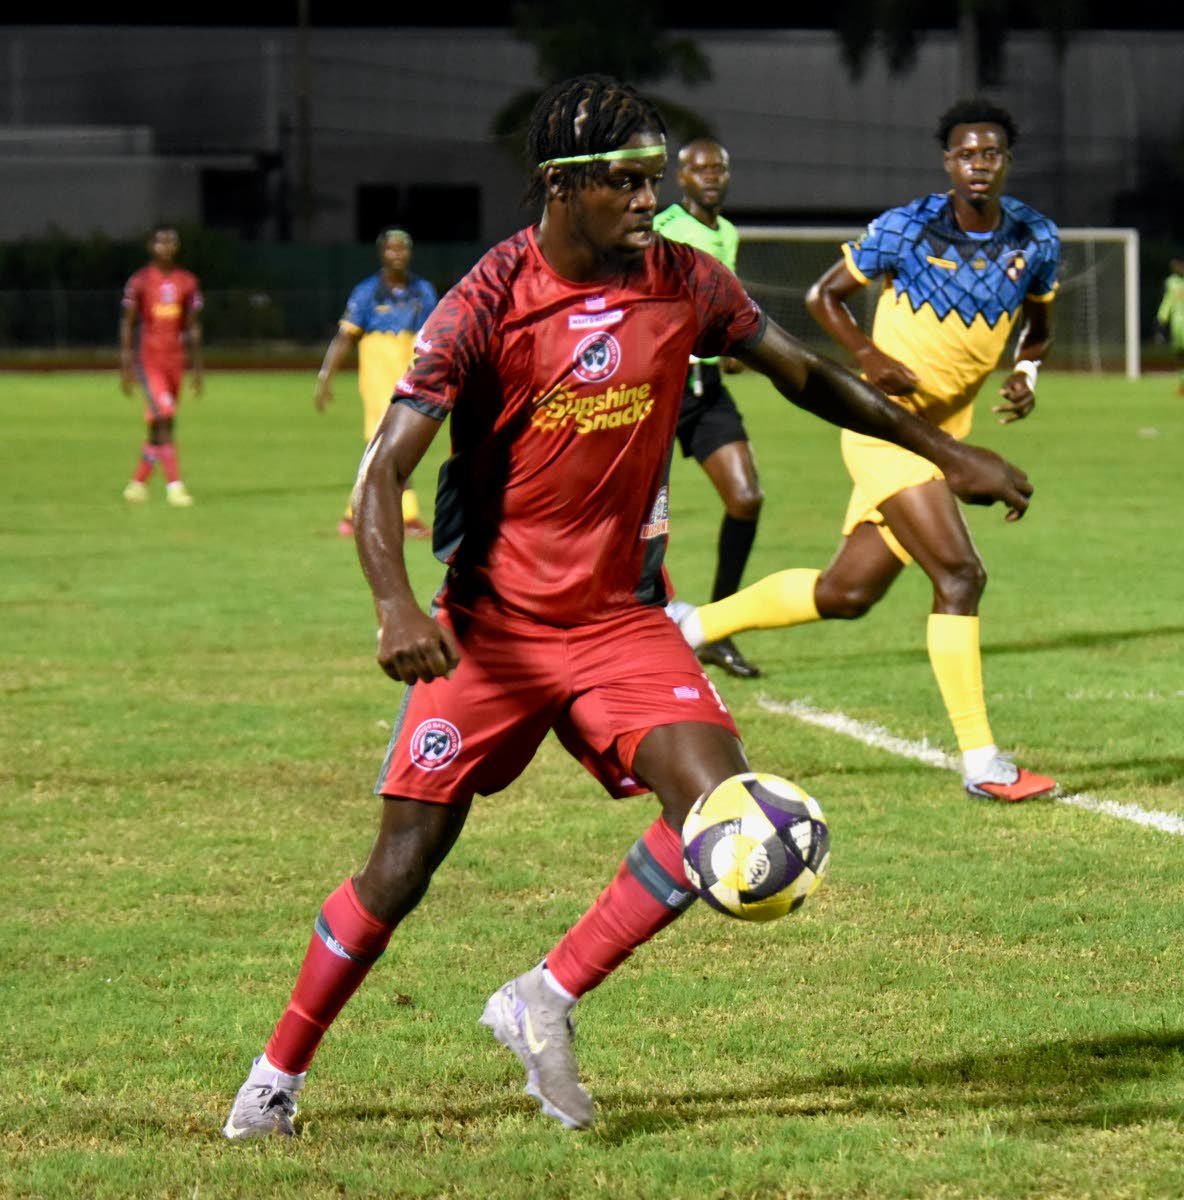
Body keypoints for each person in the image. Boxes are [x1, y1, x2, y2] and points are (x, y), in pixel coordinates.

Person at [222, 76, 1034, 1140]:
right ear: (562, 188)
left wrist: (942, 448)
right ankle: (275, 1075)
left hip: (618, 624)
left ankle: (541, 999)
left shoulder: (684, 282)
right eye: (627, 184)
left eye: (654, 183)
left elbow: (799, 373)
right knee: (400, 868)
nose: (649, 203)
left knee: (719, 809)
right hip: (492, 631)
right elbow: (380, 474)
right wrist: (390, 606)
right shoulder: (484, 301)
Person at [668, 98, 1059, 804]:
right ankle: (983, 763)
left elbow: (1038, 326)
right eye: (966, 153)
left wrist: (1026, 373)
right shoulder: (908, 226)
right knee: (961, 576)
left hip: (950, 434)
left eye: (991, 153)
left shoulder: (1036, 237)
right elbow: (824, 296)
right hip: (887, 426)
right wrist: (867, 355)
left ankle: (690, 625)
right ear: (948, 161)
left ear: (1005, 161)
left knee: (845, 593)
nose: (979, 164)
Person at [654, 139, 764, 680]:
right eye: (699, 168)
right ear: (682, 178)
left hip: (707, 385)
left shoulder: (729, 233)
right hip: (657, 387)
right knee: (632, 519)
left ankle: (717, 630)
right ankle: (638, 631)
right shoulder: (664, 226)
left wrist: (732, 344)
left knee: (746, 497)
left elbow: (723, 308)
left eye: (718, 167)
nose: (710, 176)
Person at [315, 227, 438, 538]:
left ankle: (353, 513)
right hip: (377, 380)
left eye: (402, 248)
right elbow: (346, 336)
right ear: (381, 253)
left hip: (412, 378)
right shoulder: (368, 291)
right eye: (391, 249)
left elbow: (436, 336)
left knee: (395, 446)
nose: (397, 254)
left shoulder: (422, 290)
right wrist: (325, 377)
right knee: (388, 444)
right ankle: (406, 516)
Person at [119, 225, 203, 507]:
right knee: (165, 417)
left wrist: (198, 368)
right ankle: (174, 485)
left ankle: (137, 483)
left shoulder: (187, 281)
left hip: (175, 362)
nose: (165, 247)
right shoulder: (141, 280)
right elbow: (128, 322)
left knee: (160, 424)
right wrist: (126, 363)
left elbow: (191, 327)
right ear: (150, 246)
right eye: (160, 242)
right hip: (149, 361)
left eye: (171, 242)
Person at [1155, 257, 1184, 395]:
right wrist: (1161, 324)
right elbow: (1167, 303)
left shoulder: (1172, 283)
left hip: (1178, 325)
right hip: (1178, 325)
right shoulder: (1172, 282)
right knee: (1179, 355)